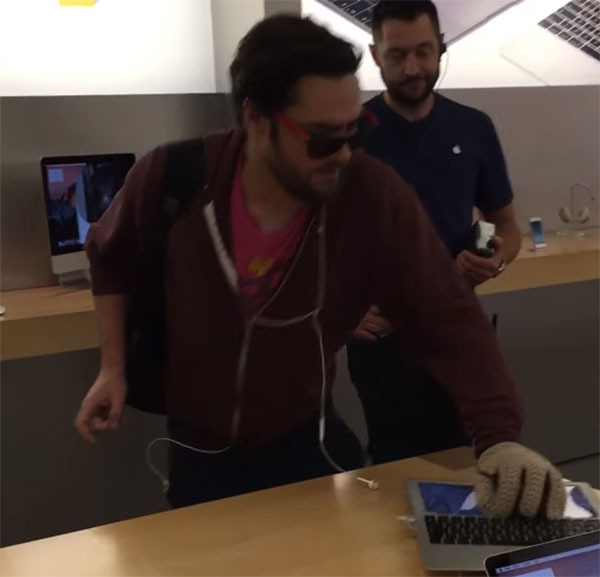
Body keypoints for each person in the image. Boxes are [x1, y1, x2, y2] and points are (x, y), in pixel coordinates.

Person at [75, 14, 564, 519]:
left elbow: (449, 318)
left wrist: (500, 440)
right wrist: (112, 368)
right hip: (197, 449)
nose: (345, 155)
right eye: (323, 139)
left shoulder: (370, 195)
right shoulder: (175, 178)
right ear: (256, 118)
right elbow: (110, 258)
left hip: (308, 442)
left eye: (355, 132)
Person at [347, 0, 523, 464]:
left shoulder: (473, 127)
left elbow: (505, 225)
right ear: (375, 54)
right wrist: (342, 308)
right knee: (395, 469)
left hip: (457, 327)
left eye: (423, 52)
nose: (412, 68)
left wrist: (494, 258)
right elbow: (314, 239)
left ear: (442, 47)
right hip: (383, 343)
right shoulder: (349, 135)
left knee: (472, 461)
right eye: (397, 55)